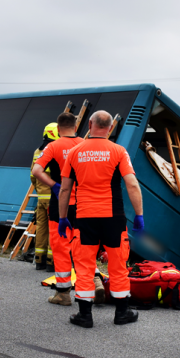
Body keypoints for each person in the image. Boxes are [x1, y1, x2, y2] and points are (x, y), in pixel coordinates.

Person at [58, 110, 144, 328]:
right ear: (110, 128)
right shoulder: (119, 151)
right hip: (113, 218)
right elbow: (132, 184)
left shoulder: (75, 152)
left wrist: (62, 217)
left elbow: (65, 189)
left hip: (85, 217)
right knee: (118, 264)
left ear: (89, 124)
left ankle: (85, 316)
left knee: (85, 266)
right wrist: (139, 215)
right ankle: (122, 313)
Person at [32, 112, 105, 306]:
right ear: (77, 127)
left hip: (61, 204)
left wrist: (53, 184)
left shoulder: (53, 146)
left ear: (57, 129)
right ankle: (95, 281)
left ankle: (63, 294)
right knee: (85, 246)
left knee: (62, 247)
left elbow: (36, 170)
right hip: (85, 204)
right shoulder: (85, 144)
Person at [30, 123, 58, 271]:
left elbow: (32, 176)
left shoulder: (37, 152)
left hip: (41, 197)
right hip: (53, 197)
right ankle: (51, 262)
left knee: (41, 228)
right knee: (54, 230)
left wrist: (40, 191)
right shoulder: (55, 151)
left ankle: (39, 260)